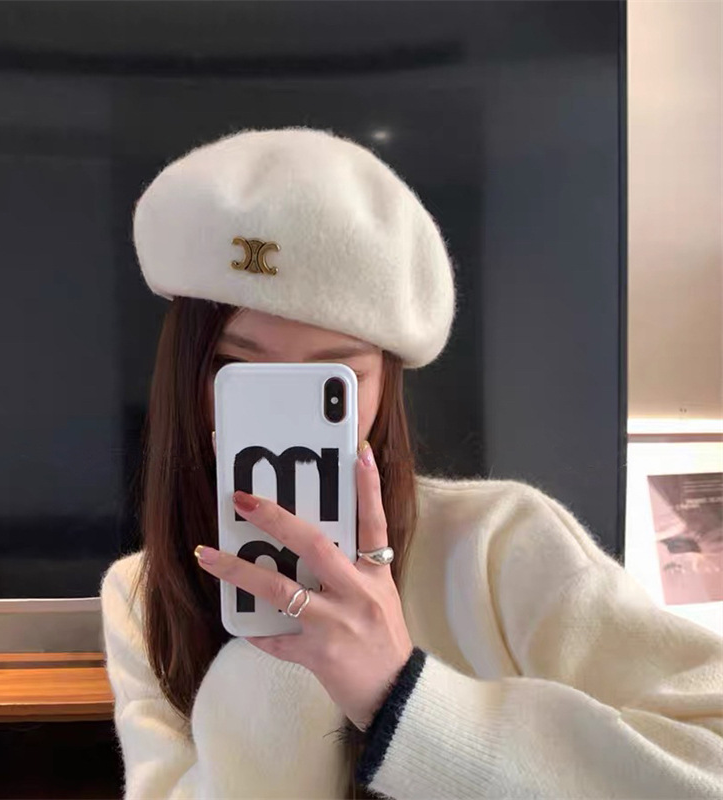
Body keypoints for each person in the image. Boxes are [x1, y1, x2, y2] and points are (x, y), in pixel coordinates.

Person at [100, 127, 723, 800]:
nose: (282, 407)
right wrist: (281, 649)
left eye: (332, 379)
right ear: (182, 373)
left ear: (383, 386)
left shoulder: (501, 543)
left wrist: (402, 694)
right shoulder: (141, 596)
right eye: (234, 366)